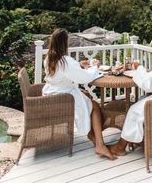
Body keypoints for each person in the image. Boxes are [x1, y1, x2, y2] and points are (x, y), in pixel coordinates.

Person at [42, 28, 116, 160]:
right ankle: (100, 145)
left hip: (51, 95)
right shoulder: (65, 61)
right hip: (64, 99)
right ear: (65, 43)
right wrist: (94, 67)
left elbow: (63, 73)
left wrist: (79, 64)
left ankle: (96, 141)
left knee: (86, 96)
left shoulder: (49, 58)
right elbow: (83, 78)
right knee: (94, 107)